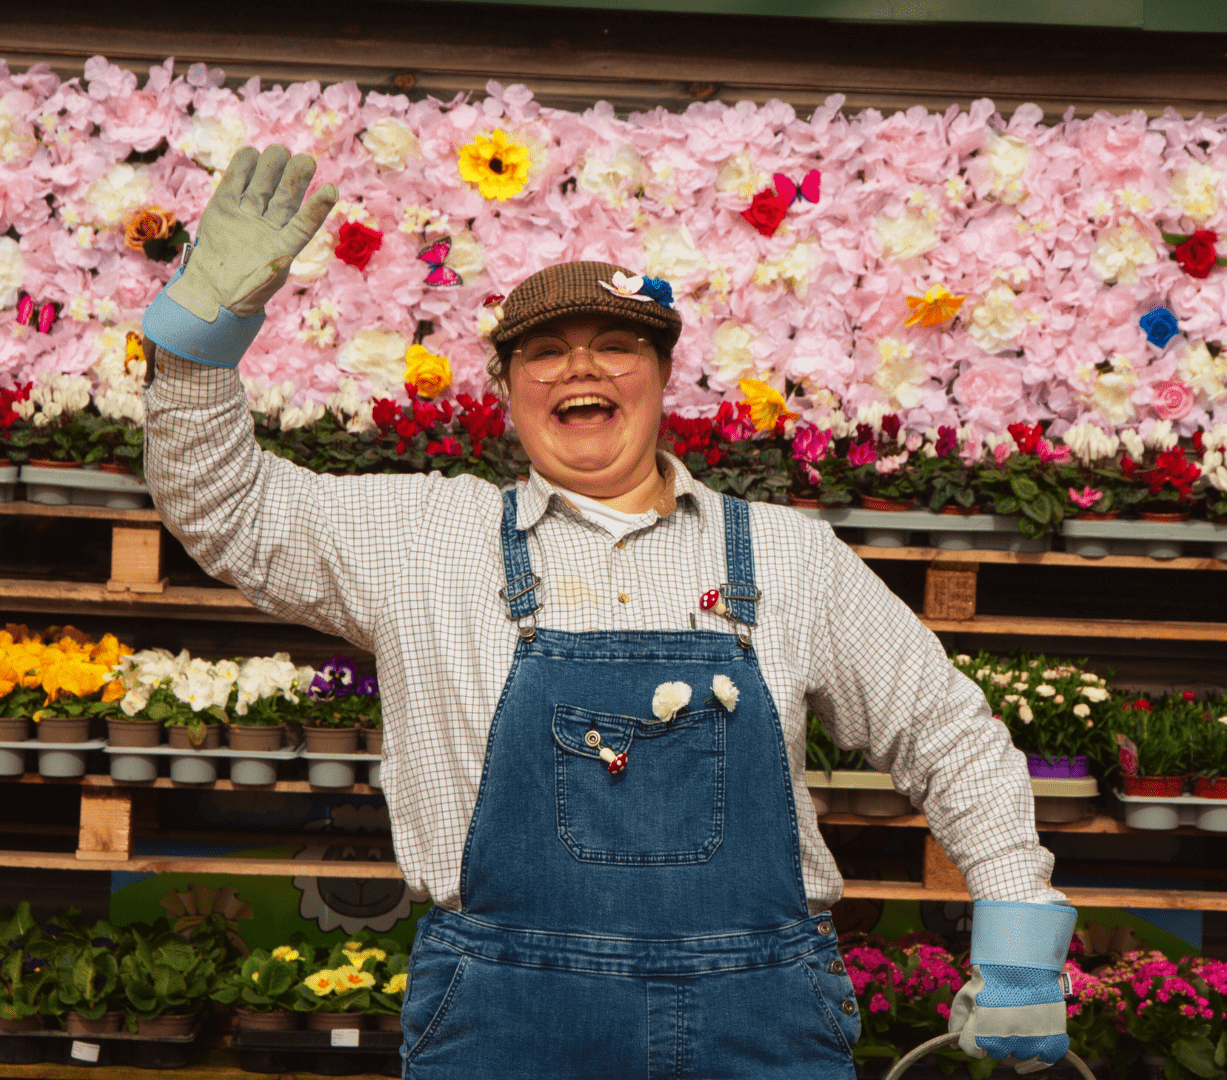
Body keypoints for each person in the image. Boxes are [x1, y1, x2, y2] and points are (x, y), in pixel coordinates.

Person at [140, 144, 1076, 1080]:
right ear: (506, 392)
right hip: (505, 1013)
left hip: (757, 1015)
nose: (578, 367)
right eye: (544, 352)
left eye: (615, 345)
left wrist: (1018, 936)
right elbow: (223, 508)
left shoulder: (786, 555)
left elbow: (944, 731)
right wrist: (197, 338)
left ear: (662, 377)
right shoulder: (421, 535)